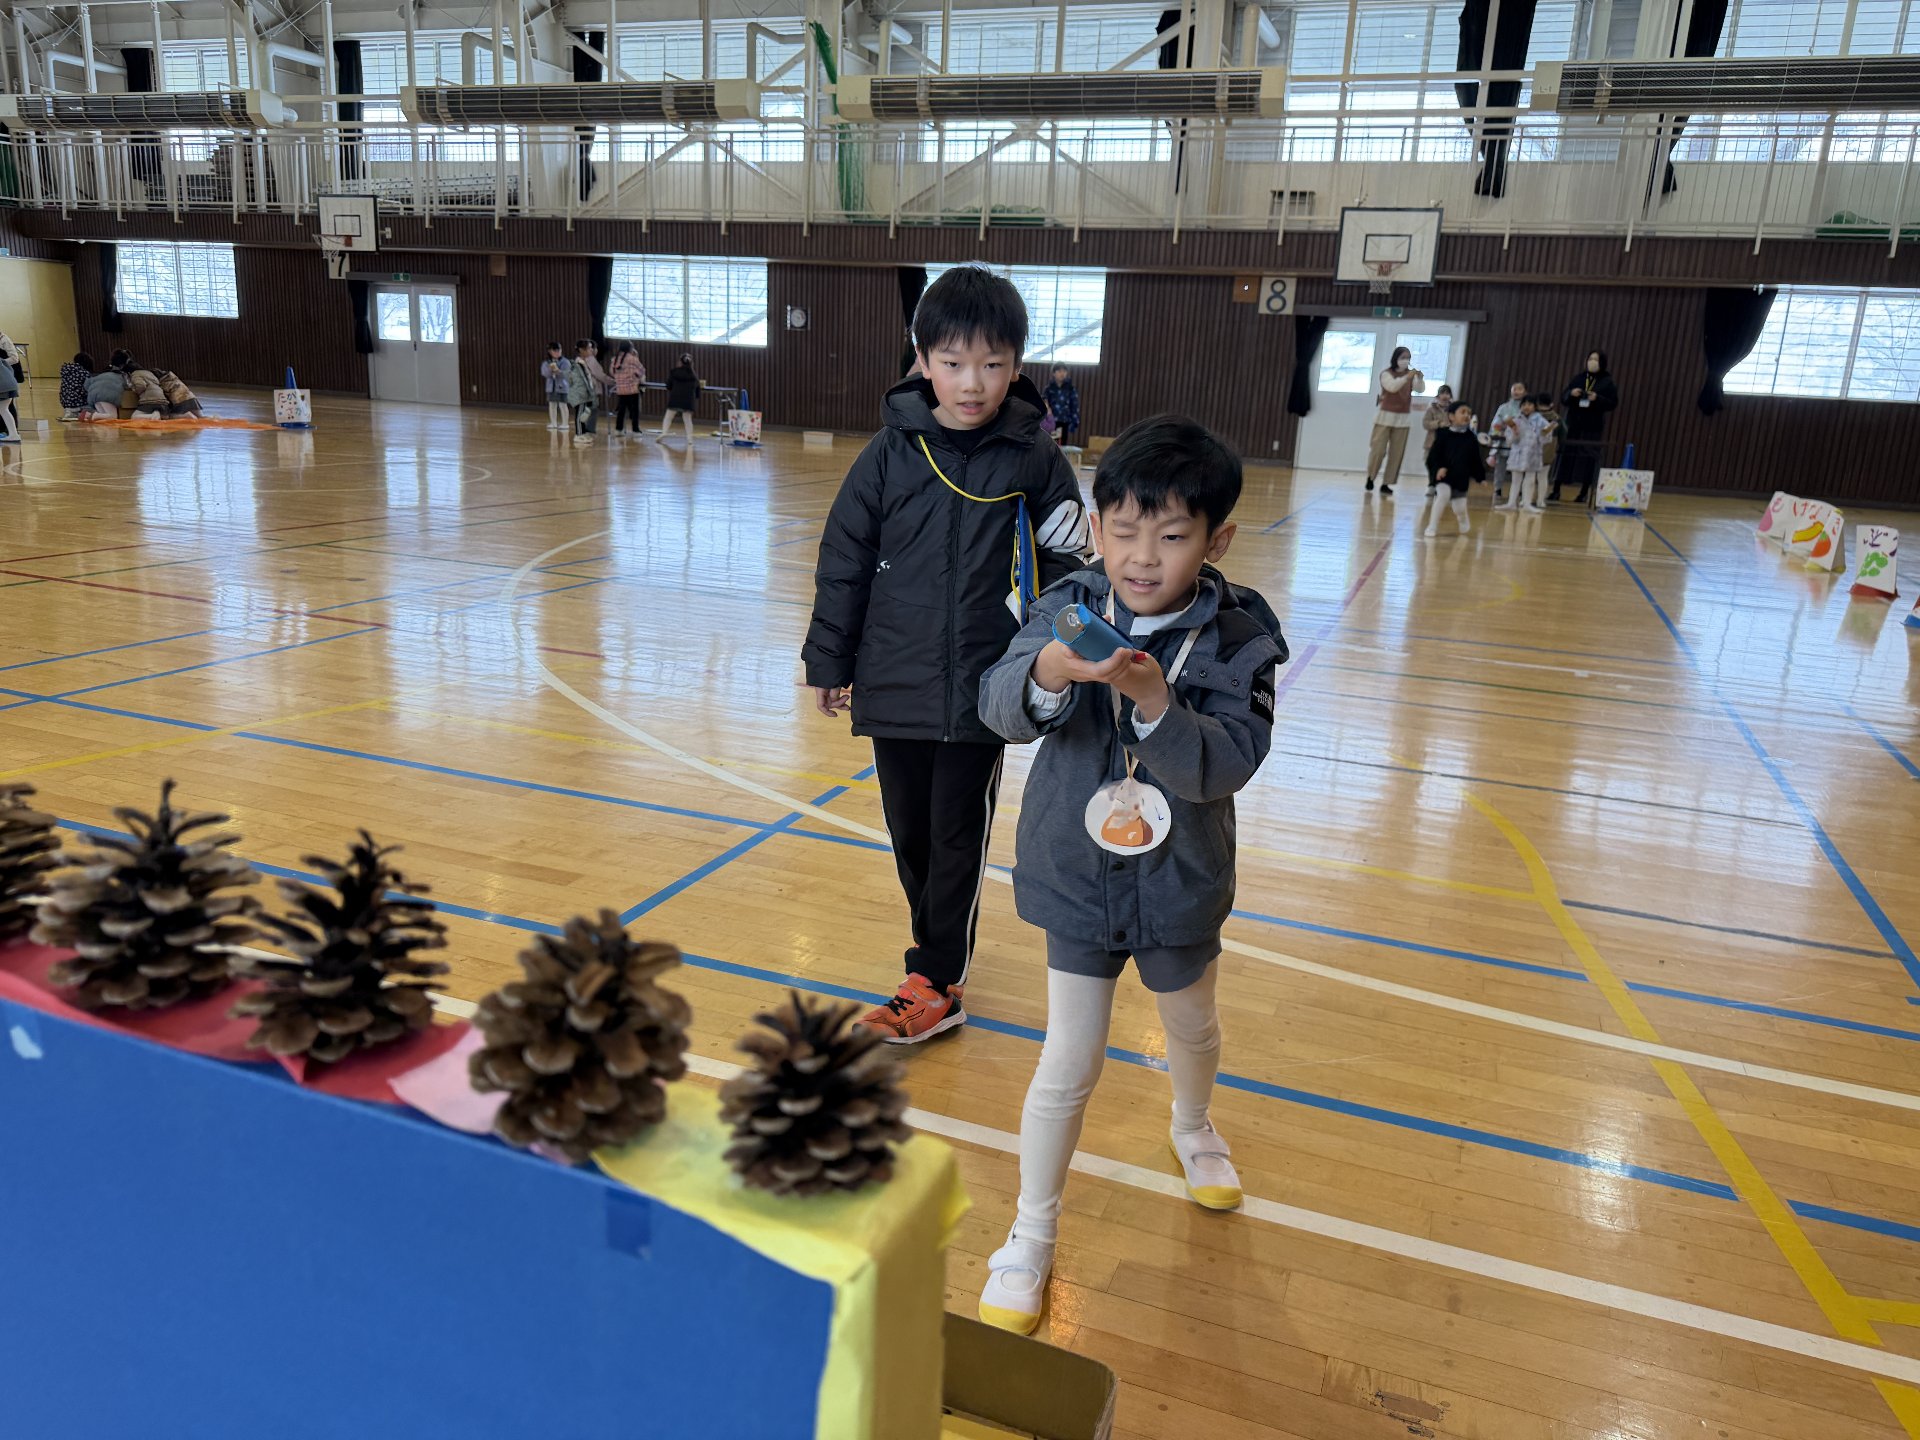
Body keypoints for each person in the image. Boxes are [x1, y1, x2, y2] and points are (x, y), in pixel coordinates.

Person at [973, 414, 1287, 1335]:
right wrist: (1048, 675)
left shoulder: (1241, 634)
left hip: (1181, 878)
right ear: (1096, 523)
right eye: (1124, 529)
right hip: (1076, 873)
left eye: (1174, 534)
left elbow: (1226, 765)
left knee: (1193, 1022)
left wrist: (1156, 701)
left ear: (1216, 539)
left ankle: (1192, 1125)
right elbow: (998, 706)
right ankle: (1030, 1235)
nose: (1143, 556)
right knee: (1067, 1060)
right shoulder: (1063, 603)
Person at [801, 264, 1089, 1044]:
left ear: (1017, 366)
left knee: (957, 832)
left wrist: (1049, 662)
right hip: (893, 678)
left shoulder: (1034, 459)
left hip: (983, 689)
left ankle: (936, 978)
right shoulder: (890, 454)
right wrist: (830, 661)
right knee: (913, 835)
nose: (973, 383)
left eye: (993, 365)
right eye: (955, 363)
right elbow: (845, 557)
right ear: (922, 359)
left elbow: (1070, 566)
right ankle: (935, 962)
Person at [1554, 349, 1618, 505]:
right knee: (1565, 455)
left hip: (1592, 425)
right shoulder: (1579, 378)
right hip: (1573, 422)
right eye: (1590, 358)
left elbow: (1613, 403)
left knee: (1589, 457)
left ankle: (1583, 492)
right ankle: (1556, 489)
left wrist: (1597, 398)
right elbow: (1563, 398)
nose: (1592, 362)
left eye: (1596, 359)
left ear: (1602, 362)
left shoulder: (1607, 381)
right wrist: (1571, 393)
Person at [1364, 347, 1425, 496]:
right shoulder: (1386, 373)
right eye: (1403, 357)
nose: (1406, 360)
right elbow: (1392, 387)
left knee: (1396, 453)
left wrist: (1419, 378)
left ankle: (1387, 483)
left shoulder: (1410, 376)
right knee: (1378, 450)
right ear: (1396, 357)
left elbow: (1420, 389)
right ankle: (1371, 477)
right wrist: (1406, 378)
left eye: (1408, 357)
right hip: (1385, 417)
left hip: (1403, 419)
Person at [1424, 401, 1483, 537]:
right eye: (1463, 412)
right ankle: (1432, 526)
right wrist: (1438, 468)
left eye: (1469, 413)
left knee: (1459, 508)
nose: (1467, 415)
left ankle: (1462, 519)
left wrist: (1480, 476)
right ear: (1451, 416)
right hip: (1444, 477)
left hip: (1460, 477)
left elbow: (1475, 459)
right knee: (1442, 496)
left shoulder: (1471, 438)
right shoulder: (1443, 434)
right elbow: (1433, 456)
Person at [1494, 393, 1551, 513]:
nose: (1526, 407)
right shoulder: (1516, 420)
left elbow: (1546, 439)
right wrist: (1514, 432)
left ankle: (1527, 503)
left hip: (1533, 453)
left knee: (1530, 479)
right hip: (1518, 453)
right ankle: (1511, 503)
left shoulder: (1541, 421)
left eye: (1529, 404)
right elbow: (1510, 440)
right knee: (1515, 479)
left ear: (1535, 406)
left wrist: (1544, 434)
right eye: (1524, 404)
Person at [1487, 381, 1528, 503]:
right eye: (1514, 389)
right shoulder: (1504, 407)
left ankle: (1520, 490)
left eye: (1520, 389)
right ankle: (1498, 488)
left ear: (1525, 392)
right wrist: (1501, 427)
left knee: (1520, 468)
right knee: (1501, 465)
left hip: (1520, 442)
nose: (1516, 391)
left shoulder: (1528, 407)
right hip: (1505, 440)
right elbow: (1495, 424)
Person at [657, 354, 701, 445]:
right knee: (687, 419)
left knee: (668, 417)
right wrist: (696, 398)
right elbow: (697, 388)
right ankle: (689, 439)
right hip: (688, 400)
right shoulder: (693, 375)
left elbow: (668, 385)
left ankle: (664, 432)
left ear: (680, 362)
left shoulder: (674, 372)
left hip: (675, 398)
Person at [609, 341, 645, 438]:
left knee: (621, 410)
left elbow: (612, 372)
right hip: (632, 388)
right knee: (634, 410)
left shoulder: (615, 359)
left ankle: (618, 429)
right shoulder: (633, 359)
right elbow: (641, 371)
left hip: (620, 389)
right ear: (630, 348)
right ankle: (635, 430)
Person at [565, 340, 598, 447]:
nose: (591, 350)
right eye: (589, 348)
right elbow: (577, 381)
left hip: (585, 393)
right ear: (581, 350)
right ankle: (578, 434)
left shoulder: (584, 363)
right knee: (580, 415)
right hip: (580, 394)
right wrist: (584, 393)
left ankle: (583, 432)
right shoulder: (577, 365)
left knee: (584, 414)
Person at [1043, 363, 1080, 448]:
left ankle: (1060, 461)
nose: (1062, 373)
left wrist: (1075, 421)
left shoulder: (1070, 388)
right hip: (1051, 422)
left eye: (1064, 371)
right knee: (1051, 444)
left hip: (1064, 421)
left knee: (1062, 445)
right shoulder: (1049, 389)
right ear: (1054, 373)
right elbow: (1044, 404)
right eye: (1059, 371)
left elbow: (1074, 405)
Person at [540, 342, 571, 431]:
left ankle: (565, 423)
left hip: (562, 386)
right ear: (550, 351)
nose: (558, 352)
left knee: (562, 405)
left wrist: (558, 371)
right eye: (555, 351)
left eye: (559, 350)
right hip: (551, 386)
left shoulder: (565, 361)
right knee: (552, 405)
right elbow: (544, 373)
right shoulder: (547, 362)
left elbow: (567, 373)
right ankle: (553, 422)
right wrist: (550, 370)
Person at [59, 352, 93, 421]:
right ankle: (78, 413)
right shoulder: (84, 373)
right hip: (79, 404)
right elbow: (88, 391)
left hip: (66, 404)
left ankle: (71, 412)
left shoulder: (67, 372)